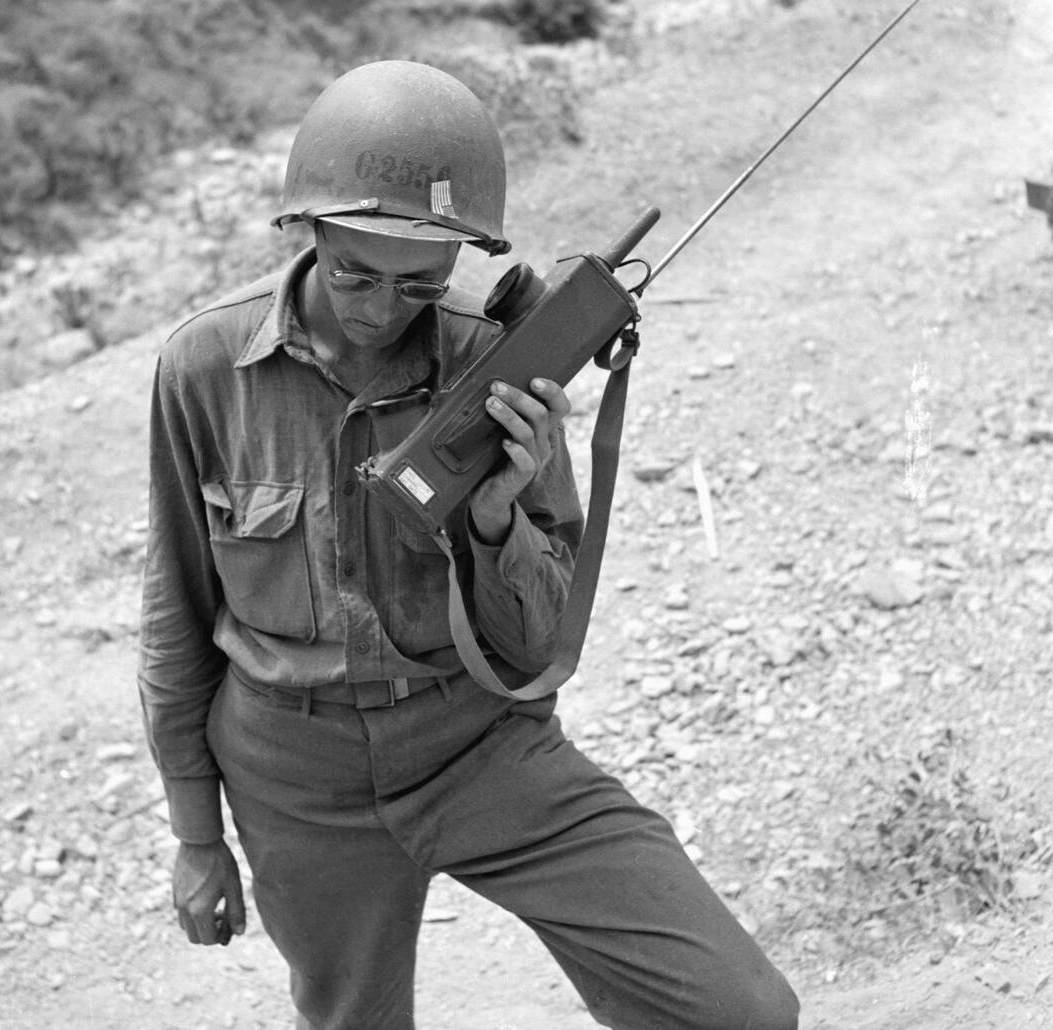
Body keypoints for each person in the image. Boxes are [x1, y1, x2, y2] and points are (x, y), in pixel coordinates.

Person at [137, 59, 800, 1030]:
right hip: (295, 773)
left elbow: (538, 643)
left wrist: (495, 518)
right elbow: (175, 623)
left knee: (738, 1010)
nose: (376, 310)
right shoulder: (203, 367)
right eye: (353, 271)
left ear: (462, 258)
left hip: (480, 739)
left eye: (419, 283)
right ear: (306, 229)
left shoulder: (499, 361)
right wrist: (197, 835)